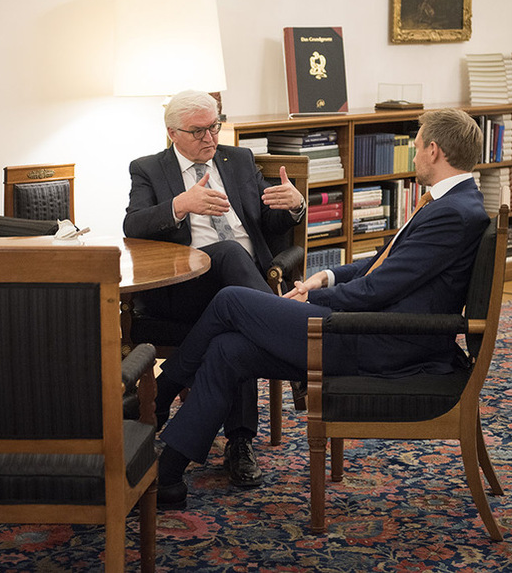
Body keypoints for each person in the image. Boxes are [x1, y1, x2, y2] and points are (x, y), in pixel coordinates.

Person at [153, 107, 491, 509]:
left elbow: (377, 290)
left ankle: (160, 394)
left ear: (434, 150)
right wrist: (323, 278)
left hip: (381, 340)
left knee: (231, 300)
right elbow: (381, 263)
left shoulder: (451, 212)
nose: (414, 156)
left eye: (416, 148)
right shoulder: (452, 203)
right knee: (229, 349)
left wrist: (311, 299)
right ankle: (167, 477)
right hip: (372, 328)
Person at [123, 89, 306, 489]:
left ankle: (237, 441)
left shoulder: (238, 160)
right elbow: (133, 226)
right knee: (225, 253)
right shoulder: (149, 169)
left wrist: (294, 206)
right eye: (199, 131)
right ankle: (292, 336)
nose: (210, 138)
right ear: (173, 133)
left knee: (236, 326)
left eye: (215, 127)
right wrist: (181, 204)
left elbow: (270, 227)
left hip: (239, 289)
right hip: (184, 287)